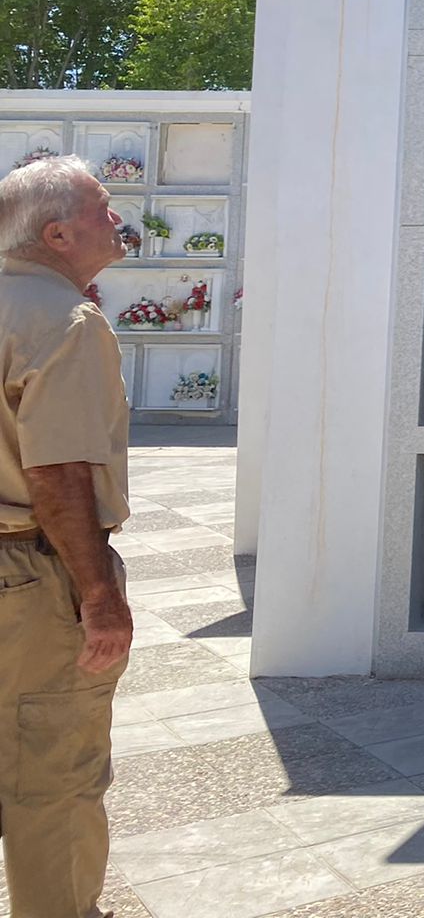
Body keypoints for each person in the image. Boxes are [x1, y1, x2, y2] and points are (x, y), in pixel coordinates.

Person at [0, 154, 134, 918]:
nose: (116, 219)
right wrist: (98, 596)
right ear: (56, 234)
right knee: (52, 775)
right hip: (29, 576)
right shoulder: (64, 321)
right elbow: (58, 473)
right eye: (102, 207)